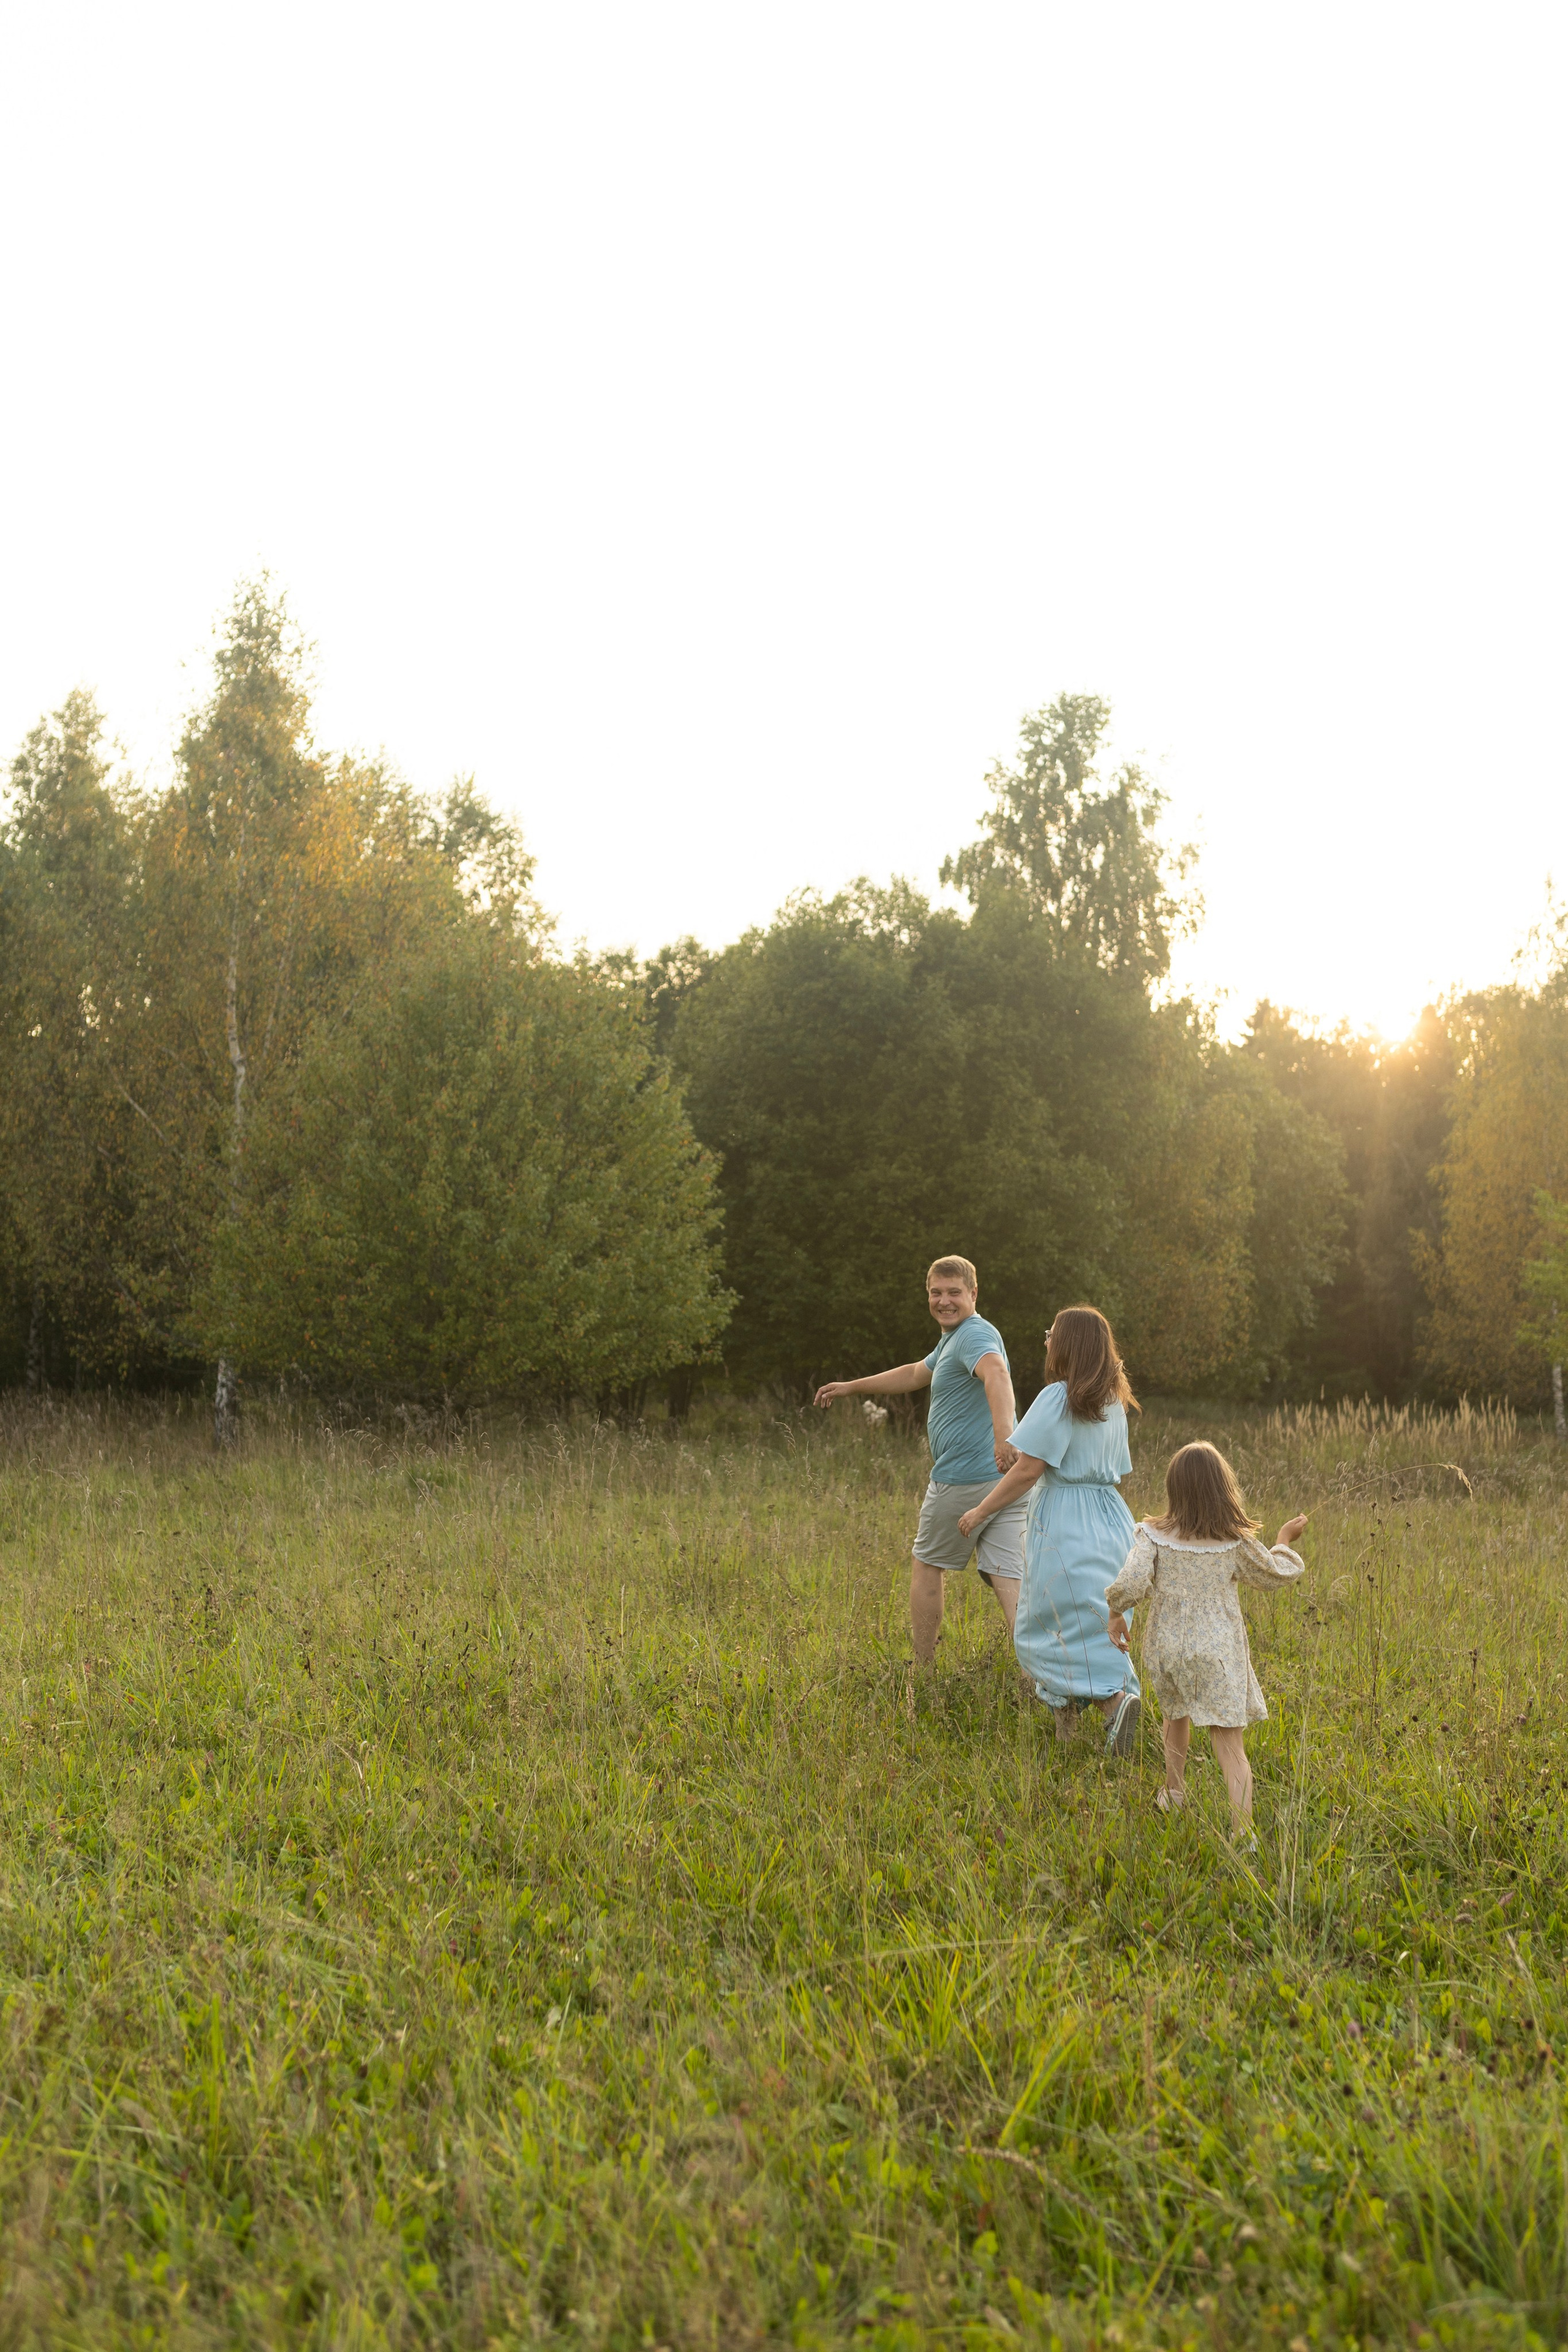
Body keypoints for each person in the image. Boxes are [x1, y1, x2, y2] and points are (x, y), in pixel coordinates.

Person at [813, 1257, 1022, 1665]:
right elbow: (914, 1374)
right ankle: (1044, 1678)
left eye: (954, 1293)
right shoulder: (955, 1339)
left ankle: (923, 1671)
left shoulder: (973, 1336)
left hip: (964, 1478)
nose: (944, 1301)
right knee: (1008, 1577)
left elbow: (997, 1373)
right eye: (936, 1293)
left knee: (927, 1564)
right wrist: (852, 1387)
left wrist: (1003, 1437)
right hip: (1006, 1481)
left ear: (974, 1294)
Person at [956, 1305, 1140, 1755]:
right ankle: (1075, 1729)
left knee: (1050, 1625)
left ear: (1067, 1344)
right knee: (1097, 1622)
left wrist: (980, 1511)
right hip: (1111, 1519)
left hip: (1066, 1520)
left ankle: (1114, 1705)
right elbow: (1113, 1468)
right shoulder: (1113, 1400)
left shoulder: (1058, 1397)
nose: (1046, 1340)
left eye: (1051, 1333)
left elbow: (1029, 1471)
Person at [1104, 1441, 1308, 1831]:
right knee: (1230, 1745)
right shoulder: (1234, 1541)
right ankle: (1243, 1834)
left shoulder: (1152, 1534)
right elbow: (1276, 1574)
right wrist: (1283, 1539)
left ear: (1174, 1488)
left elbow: (1130, 1580)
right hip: (1216, 1654)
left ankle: (1174, 1793)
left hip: (1168, 1648)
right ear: (1223, 1489)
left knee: (1174, 1714)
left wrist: (1116, 1616)